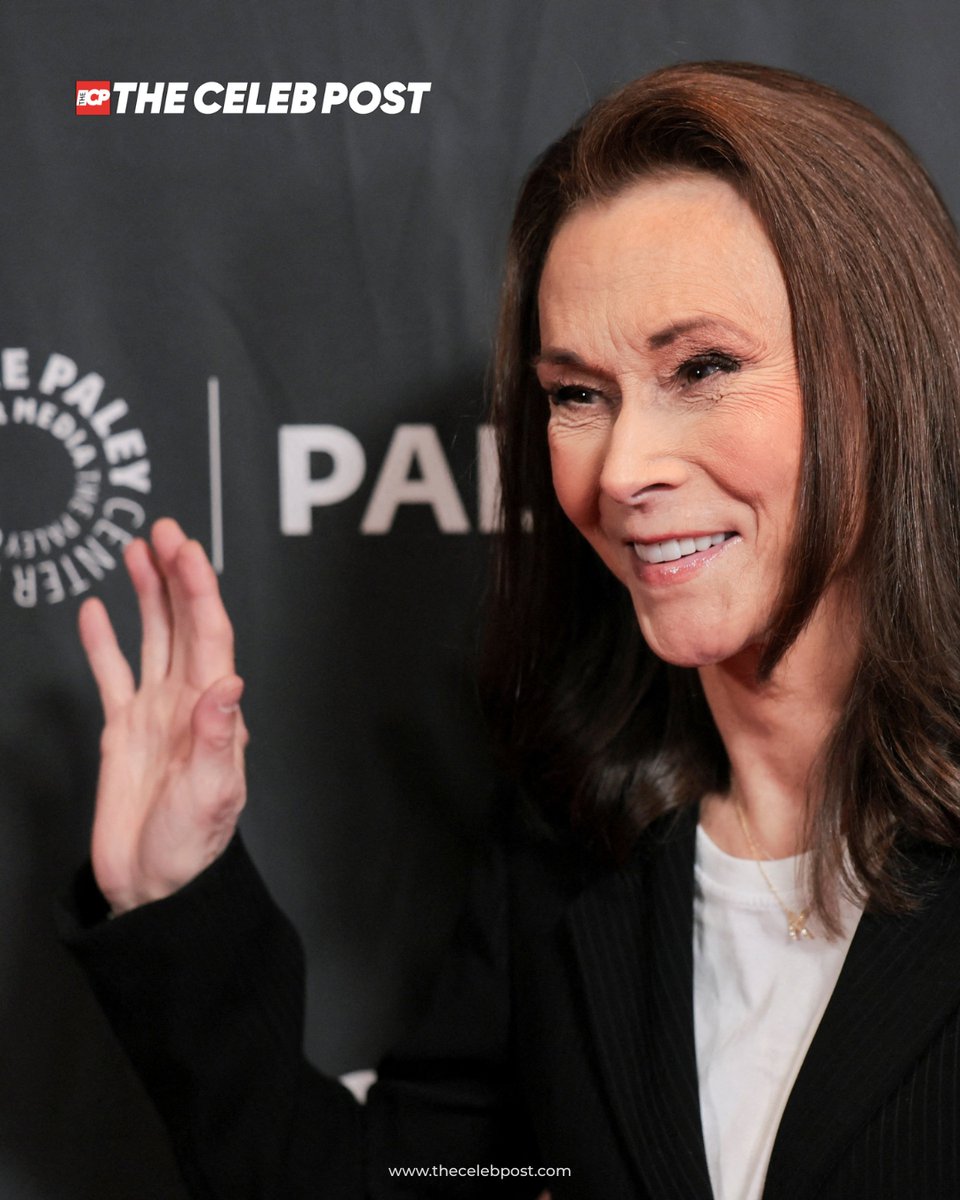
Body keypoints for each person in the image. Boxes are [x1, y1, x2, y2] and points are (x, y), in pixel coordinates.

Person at [60, 61, 960, 1199]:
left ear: (888, 376)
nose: (621, 470)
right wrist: (172, 897)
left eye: (702, 368)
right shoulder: (572, 842)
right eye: (578, 394)